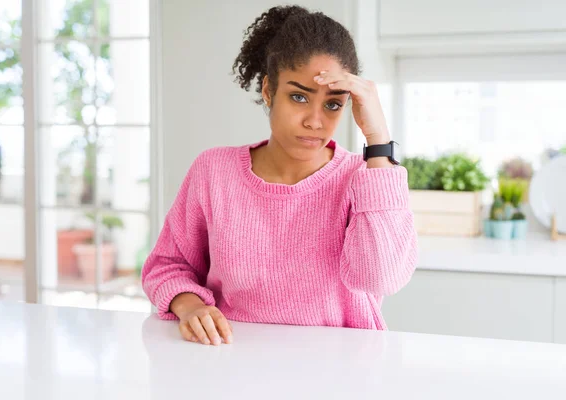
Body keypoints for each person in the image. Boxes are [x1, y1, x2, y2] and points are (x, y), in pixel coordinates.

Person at [142, 5, 418, 346]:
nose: (315, 121)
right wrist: (190, 306)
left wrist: (377, 137)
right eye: (299, 96)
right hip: (231, 363)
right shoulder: (214, 172)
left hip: (341, 373)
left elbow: (382, 277)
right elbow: (167, 266)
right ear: (269, 90)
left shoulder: (362, 180)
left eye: (333, 104)